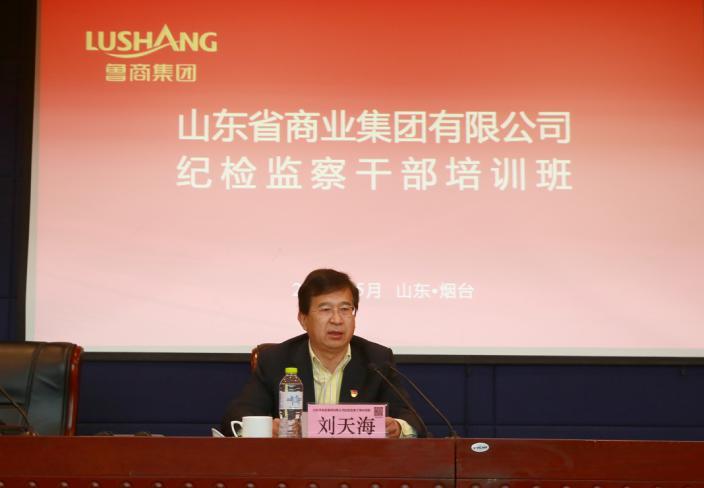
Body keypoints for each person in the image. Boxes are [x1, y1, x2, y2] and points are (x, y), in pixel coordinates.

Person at [222, 268, 426, 438]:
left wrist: (398, 428)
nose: (337, 320)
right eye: (325, 310)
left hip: (358, 465)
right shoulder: (276, 360)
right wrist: (266, 429)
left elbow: (411, 419)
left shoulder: (377, 360)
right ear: (303, 319)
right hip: (294, 465)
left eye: (345, 309)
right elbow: (237, 416)